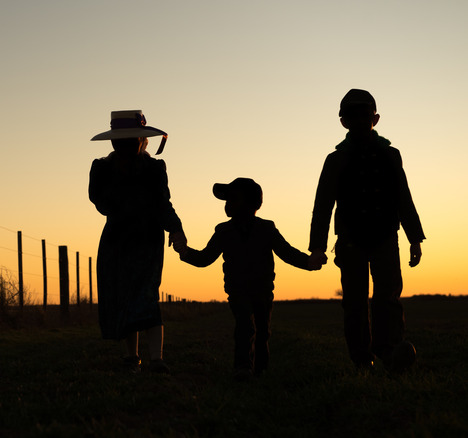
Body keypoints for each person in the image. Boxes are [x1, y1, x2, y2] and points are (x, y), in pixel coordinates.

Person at [308, 89, 425, 371]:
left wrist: (415, 238)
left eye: (364, 115)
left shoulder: (390, 155)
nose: (359, 120)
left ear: (376, 118)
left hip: (385, 236)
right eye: (352, 115)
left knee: (388, 297)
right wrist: (317, 247)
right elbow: (322, 204)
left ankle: (389, 350)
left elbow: (403, 198)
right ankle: (362, 358)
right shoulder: (335, 159)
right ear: (343, 122)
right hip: (350, 240)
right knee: (355, 302)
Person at [177, 178, 322, 381]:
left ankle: (261, 369)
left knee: (263, 331)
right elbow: (205, 258)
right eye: (226, 200)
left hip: (263, 288)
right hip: (237, 289)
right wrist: (185, 252)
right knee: (245, 326)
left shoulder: (266, 228)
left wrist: (309, 263)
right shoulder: (223, 231)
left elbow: (286, 252)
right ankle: (243, 367)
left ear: (250, 204)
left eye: (233, 199)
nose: (227, 205)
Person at [89, 110, 187, 374]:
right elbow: (101, 204)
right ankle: (132, 357)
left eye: (130, 141)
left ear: (142, 141)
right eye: (119, 142)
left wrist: (176, 229)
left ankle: (156, 358)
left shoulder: (154, 168)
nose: (123, 146)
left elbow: (162, 203)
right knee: (122, 296)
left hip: (146, 240)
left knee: (146, 294)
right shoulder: (102, 169)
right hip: (116, 241)